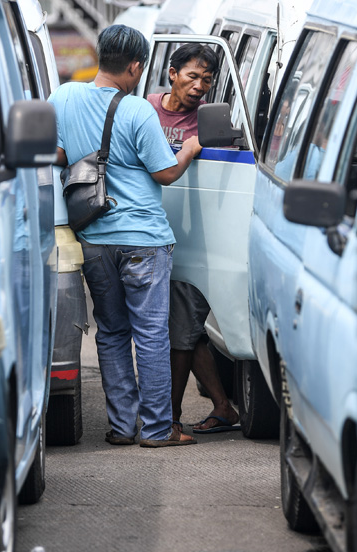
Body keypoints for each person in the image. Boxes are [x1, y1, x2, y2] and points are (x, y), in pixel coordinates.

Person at [48, 25, 201, 448]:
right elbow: (164, 172)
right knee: (151, 334)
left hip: (94, 237)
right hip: (144, 240)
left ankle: (121, 427)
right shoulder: (137, 110)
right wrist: (189, 148)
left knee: (112, 331)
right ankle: (156, 429)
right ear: (135, 67)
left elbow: (57, 154)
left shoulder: (64, 96)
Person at [147, 43, 240, 435]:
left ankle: (169, 419)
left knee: (181, 332)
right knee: (186, 331)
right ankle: (223, 406)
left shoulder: (209, 123)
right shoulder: (146, 109)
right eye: (192, 76)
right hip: (150, 232)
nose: (199, 85)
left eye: (207, 79)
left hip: (193, 240)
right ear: (172, 74)